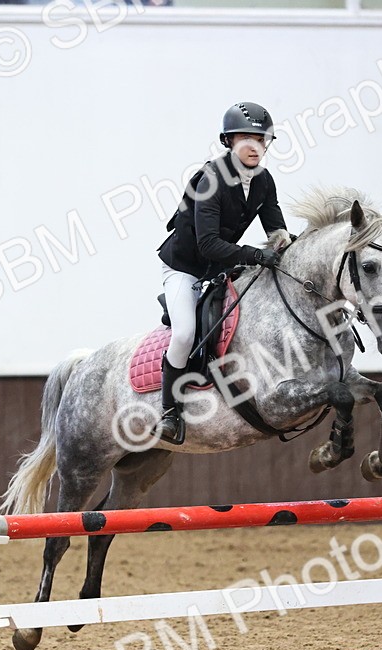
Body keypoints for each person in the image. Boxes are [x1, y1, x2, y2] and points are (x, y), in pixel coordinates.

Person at [155, 102, 291, 445]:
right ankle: (170, 413)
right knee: (185, 333)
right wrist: (255, 255)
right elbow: (208, 245)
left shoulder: (263, 182)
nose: (254, 146)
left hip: (221, 265)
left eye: (261, 140)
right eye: (245, 138)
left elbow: (277, 231)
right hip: (185, 267)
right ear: (228, 141)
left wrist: (291, 248)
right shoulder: (211, 180)